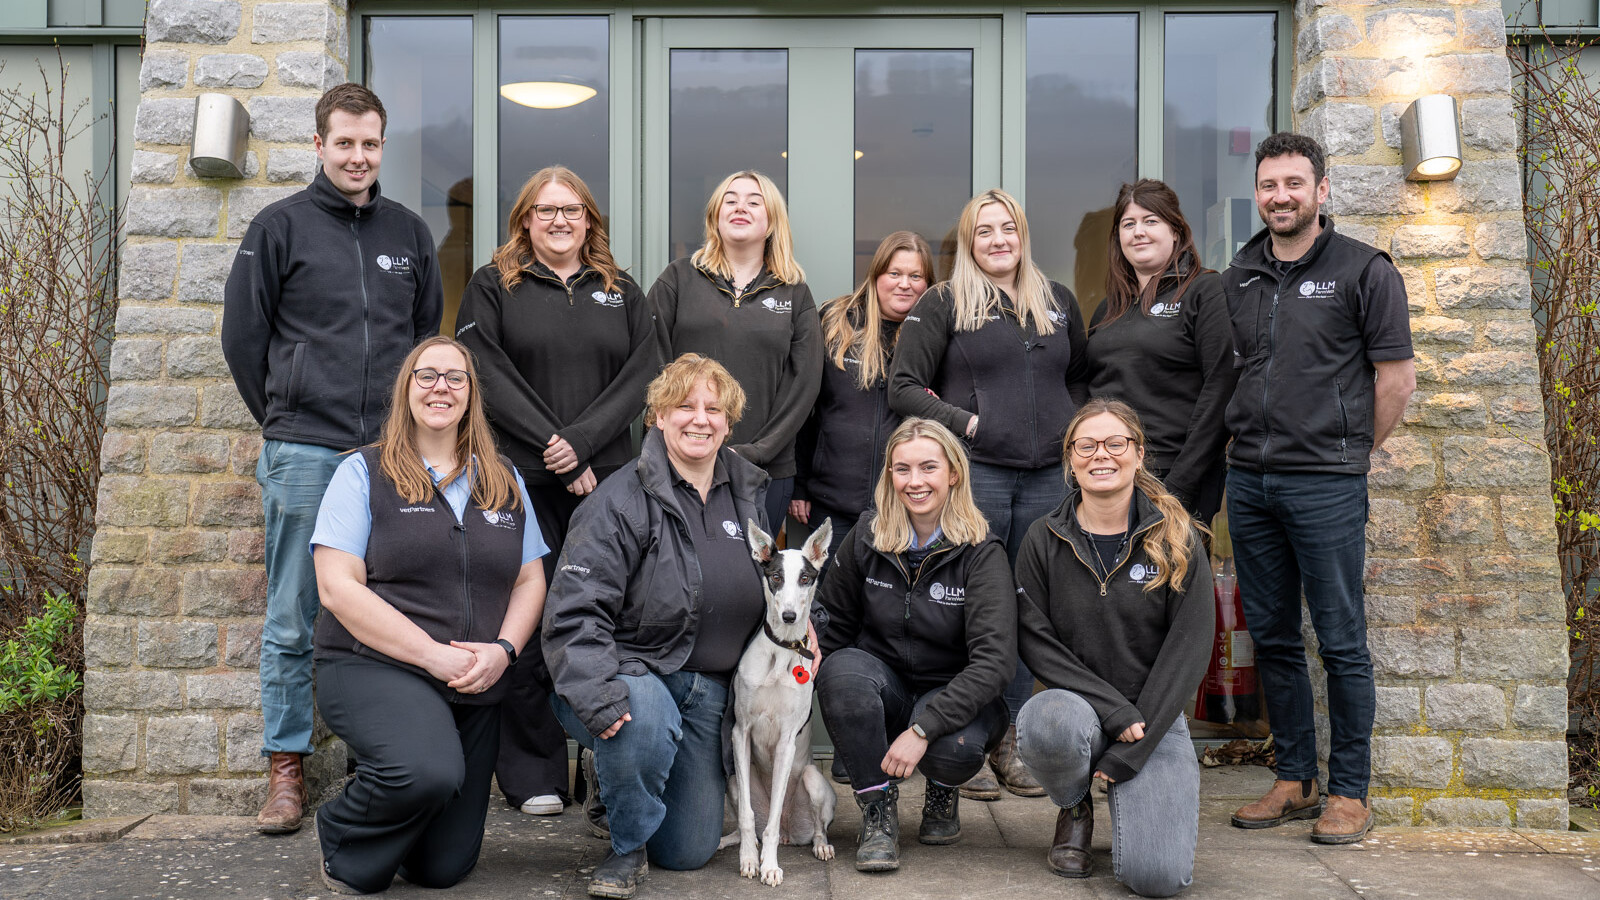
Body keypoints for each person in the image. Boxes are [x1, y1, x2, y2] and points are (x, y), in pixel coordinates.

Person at [221, 82, 443, 834]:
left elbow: (423, 341)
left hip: (391, 456)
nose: (358, 156)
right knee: (294, 612)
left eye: (370, 144)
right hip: (305, 451)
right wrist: (288, 415)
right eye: (344, 142)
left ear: (384, 147)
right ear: (319, 145)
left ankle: (375, 758)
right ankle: (286, 768)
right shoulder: (278, 227)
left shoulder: (409, 235)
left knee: (393, 605)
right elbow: (244, 342)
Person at [544, 354, 813, 900]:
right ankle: (624, 847)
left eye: (714, 408)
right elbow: (575, 612)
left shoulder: (746, 490)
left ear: (729, 424)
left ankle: (624, 782)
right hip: (632, 672)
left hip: (708, 690)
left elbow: (783, 579)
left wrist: (808, 629)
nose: (700, 418)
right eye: (683, 405)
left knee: (689, 852)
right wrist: (599, 700)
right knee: (638, 726)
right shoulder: (619, 500)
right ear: (657, 417)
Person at [1223, 133, 1414, 844]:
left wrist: (1351, 453)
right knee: (1271, 636)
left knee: (1340, 642)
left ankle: (1349, 792)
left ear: (1321, 189)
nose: (1280, 196)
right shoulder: (1238, 275)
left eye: (1293, 184)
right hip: (1250, 482)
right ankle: (1295, 778)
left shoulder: (1365, 269)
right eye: (1269, 184)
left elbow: (1395, 380)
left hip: (1327, 485)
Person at [309, 336, 548, 894]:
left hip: (475, 683)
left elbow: (531, 579)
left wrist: (505, 651)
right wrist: (435, 657)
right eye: (427, 375)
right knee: (424, 776)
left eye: (455, 377)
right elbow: (337, 589)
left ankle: (407, 818)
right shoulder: (363, 472)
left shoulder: (505, 479)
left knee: (443, 870)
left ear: (470, 395)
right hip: (374, 666)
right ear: (407, 389)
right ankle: (342, 832)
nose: (441, 386)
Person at [456, 165, 659, 819]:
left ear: (589, 220)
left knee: (608, 623)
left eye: (572, 210)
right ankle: (533, 773)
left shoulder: (620, 289)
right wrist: (555, 444)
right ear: (525, 221)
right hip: (521, 485)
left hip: (608, 483)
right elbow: (483, 369)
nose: (560, 221)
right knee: (527, 620)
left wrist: (585, 440)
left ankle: (606, 767)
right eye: (545, 211)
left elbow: (645, 372)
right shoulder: (493, 287)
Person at [889, 188, 1089, 800]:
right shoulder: (944, 302)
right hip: (979, 475)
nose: (998, 240)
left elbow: (1079, 378)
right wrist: (968, 424)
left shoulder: (1057, 301)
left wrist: (1072, 433)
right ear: (969, 242)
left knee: (1030, 603)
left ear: (1022, 235)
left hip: (1047, 479)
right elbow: (904, 387)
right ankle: (962, 742)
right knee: (969, 604)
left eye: (1008, 228)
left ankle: (1011, 743)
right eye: (984, 231)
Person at [1013, 399, 1213, 898]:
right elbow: (1035, 639)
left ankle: (1127, 791)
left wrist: (1136, 747)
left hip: (1155, 718)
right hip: (1077, 709)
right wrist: (1112, 710)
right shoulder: (1043, 538)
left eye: (1115, 443)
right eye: (1087, 445)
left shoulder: (1176, 537)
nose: (1101, 454)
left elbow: (1188, 652)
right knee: (1046, 720)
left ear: (1139, 454)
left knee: (1158, 879)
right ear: (1071, 458)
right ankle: (1075, 803)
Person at [815, 418, 1015, 873]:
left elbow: (995, 663)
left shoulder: (982, 551)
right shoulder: (867, 535)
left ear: (953, 474)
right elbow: (832, 626)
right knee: (841, 672)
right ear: (890, 475)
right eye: (902, 469)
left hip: (954, 694)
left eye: (928, 467)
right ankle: (876, 809)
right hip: (886, 685)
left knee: (953, 752)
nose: (915, 481)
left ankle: (942, 788)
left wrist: (922, 729)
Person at [648, 170, 823, 532]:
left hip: (765, 469)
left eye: (754, 202)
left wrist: (757, 452)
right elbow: (650, 365)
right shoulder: (679, 278)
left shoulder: (794, 293)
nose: (740, 207)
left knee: (749, 579)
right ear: (716, 216)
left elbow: (803, 386)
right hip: (681, 461)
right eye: (730, 200)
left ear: (771, 221)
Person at [1087, 179, 1237, 524]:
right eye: (1128, 224)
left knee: (1172, 576)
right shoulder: (1108, 309)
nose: (1138, 232)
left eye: (1150, 221)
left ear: (1175, 231)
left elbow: (1221, 388)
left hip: (1176, 474)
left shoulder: (1204, 291)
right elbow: (1086, 386)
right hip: (1109, 472)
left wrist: (1179, 487)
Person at [792, 230, 934, 565]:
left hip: (905, 508)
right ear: (876, 275)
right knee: (830, 610)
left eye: (916, 276)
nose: (905, 284)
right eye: (894, 273)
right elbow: (803, 409)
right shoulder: (835, 322)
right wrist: (798, 485)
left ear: (928, 285)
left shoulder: (934, 336)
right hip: (831, 505)